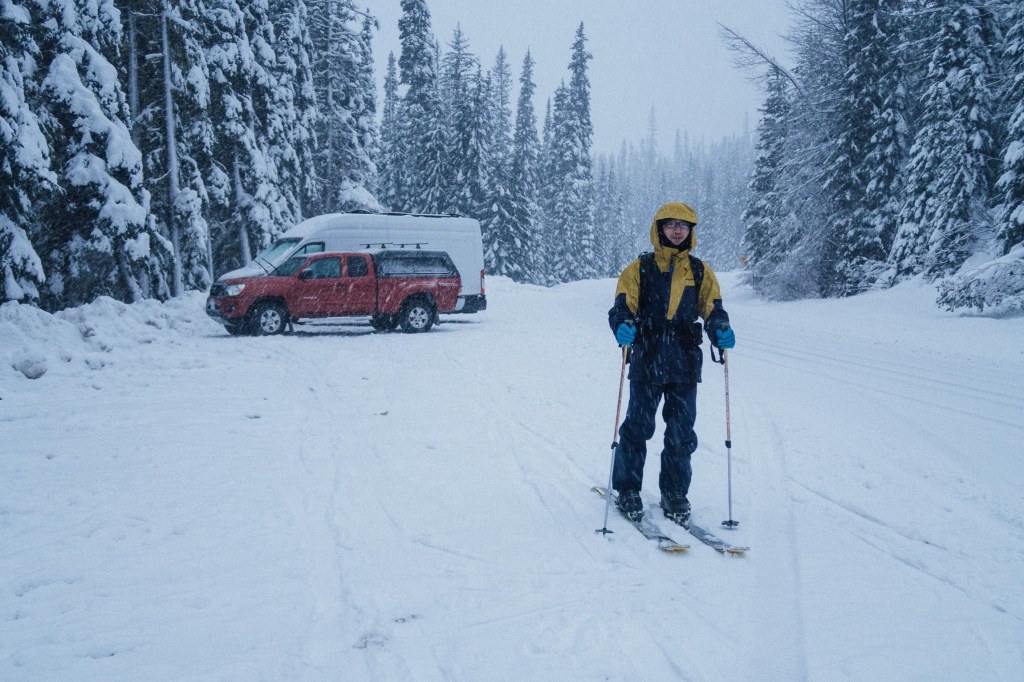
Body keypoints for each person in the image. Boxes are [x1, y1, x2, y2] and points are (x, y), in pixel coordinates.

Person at [607, 202, 735, 528]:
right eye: (671, 224)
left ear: (691, 231)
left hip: (684, 362)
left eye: (684, 225)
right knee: (637, 427)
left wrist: (720, 328)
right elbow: (622, 304)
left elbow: (713, 307)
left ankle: (675, 493)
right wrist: (622, 324)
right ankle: (628, 489)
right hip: (647, 357)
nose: (677, 230)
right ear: (659, 228)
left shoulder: (700, 271)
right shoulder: (640, 268)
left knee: (680, 433)